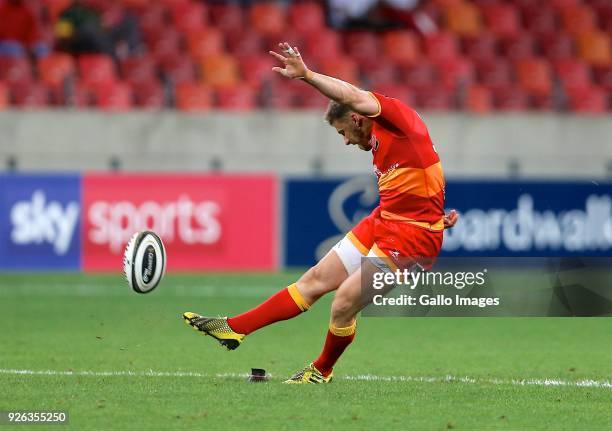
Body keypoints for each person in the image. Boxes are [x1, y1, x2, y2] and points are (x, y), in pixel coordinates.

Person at [183, 42, 459, 384]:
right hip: (386, 220)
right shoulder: (377, 141)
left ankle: (321, 370)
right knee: (314, 281)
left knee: (343, 303)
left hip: (413, 239)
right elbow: (423, 173)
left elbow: (353, 94)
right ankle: (234, 328)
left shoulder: (398, 120)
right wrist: (434, 209)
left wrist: (308, 76)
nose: (344, 141)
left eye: (343, 132)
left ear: (357, 119)